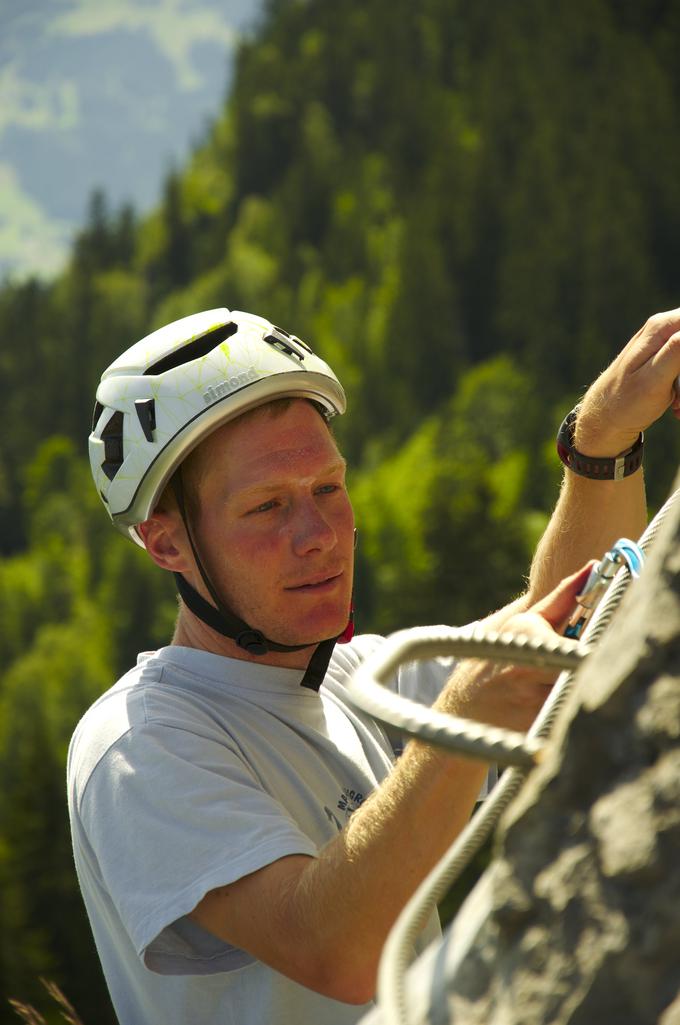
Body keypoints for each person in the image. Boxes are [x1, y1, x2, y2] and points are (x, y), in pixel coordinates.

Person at [68, 306, 680, 1025]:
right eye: (268, 507)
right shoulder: (138, 743)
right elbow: (337, 950)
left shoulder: (357, 679)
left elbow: (571, 633)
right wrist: (461, 714)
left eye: (328, 487)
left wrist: (602, 439)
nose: (320, 535)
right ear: (166, 543)